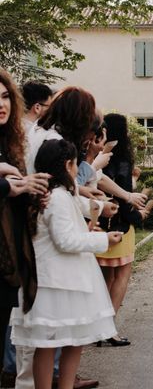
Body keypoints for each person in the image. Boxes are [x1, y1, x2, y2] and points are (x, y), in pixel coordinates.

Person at [10, 139, 122, 389]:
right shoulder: (57, 197)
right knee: (56, 344)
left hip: (61, 281)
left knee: (65, 342)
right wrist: (103, 239)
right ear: (68, 165)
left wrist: (97, 211)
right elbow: (65, 240)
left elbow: (73, 216)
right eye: (75, 164)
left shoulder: (52, 194)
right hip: (59, 285)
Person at [0, 70, 50, 387]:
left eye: (5, 96)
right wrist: (8, 187)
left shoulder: (10, 144)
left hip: (7, 260)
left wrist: (32, 196)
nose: (1, 104)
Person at [96, 113, 150, 346]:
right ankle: (109, 329)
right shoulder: (123, 160)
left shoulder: (99, 157)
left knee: (104, 280)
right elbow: (126, 198)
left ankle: (96, 328)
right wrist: (138, 216)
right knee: (122, 277)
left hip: (99, 225)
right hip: (119, 227)